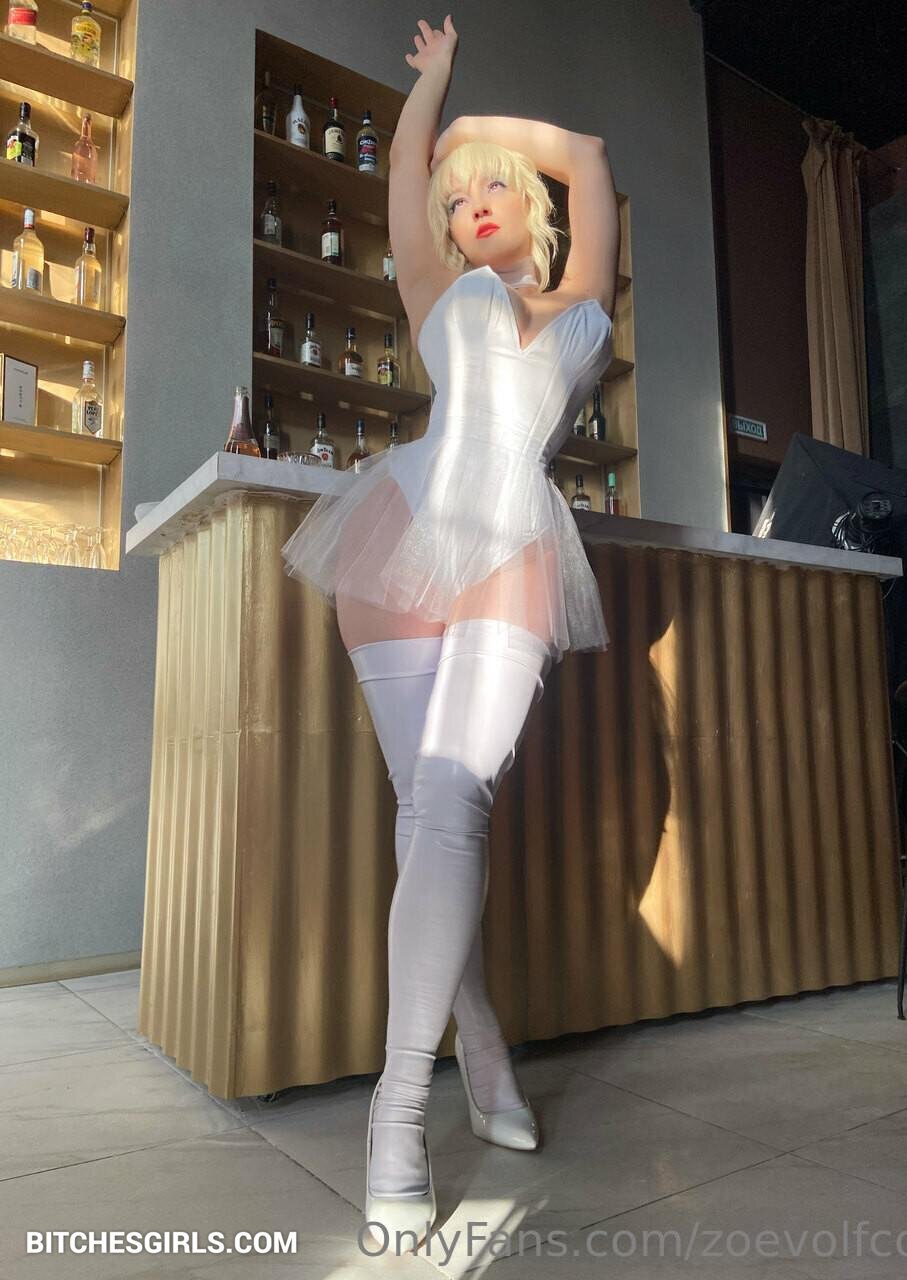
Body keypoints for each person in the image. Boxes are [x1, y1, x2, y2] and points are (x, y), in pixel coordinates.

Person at [280, 12, 620, 1256]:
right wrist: (434, 92)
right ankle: (476, 1046)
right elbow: (403, 175)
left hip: (513, 545)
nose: (471, 204)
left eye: (493, 191)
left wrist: (485, 125)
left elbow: (589, 155)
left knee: (450, 800)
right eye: (457, 196)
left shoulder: (582, 302)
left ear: (533, 209)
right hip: (397, 533)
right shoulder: (434, 288)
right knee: (432, 811)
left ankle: (397, 1109)